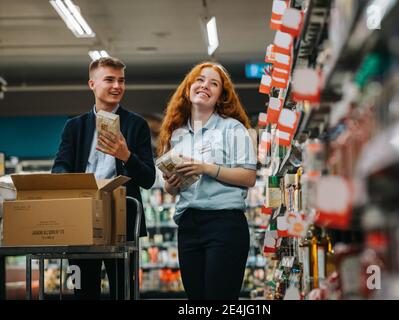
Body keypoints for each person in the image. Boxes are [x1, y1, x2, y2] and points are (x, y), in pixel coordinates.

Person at [52, 57, 156, 299]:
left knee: (123, 290)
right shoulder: (74, 127)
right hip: (81, 218)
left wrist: (126, 155)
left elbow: (149, 179)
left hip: (122, 219)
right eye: (109, 79)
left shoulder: (136, 125)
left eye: (121, 80)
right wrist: (70, 184)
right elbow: (60, 166)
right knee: (83, 291)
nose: (117, 86)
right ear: (92, 84)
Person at [158, 61, 257, 300]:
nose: (205, 86)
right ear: (188, 87)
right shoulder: (177, 132)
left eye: (214, 83)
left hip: (224, 224)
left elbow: (249, 177)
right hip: (188, 225)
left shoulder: (232, 128)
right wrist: (171, 181)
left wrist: (206, 168)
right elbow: (170, 189)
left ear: (221, 96)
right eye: (200, 80)